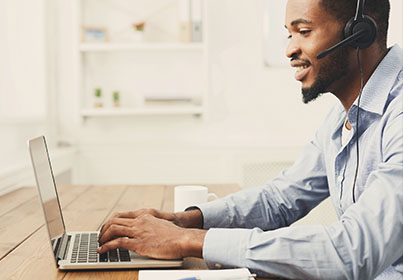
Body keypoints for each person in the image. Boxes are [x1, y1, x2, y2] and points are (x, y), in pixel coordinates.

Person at [97, 0, 403, 278]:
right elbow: (278, 201)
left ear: (360, 33)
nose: (289, 50)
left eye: (304, 31)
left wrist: (185, 241)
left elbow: (351, 252)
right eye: (289, 34)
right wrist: (185, 221)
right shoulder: (343, 117)